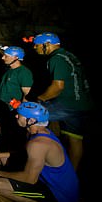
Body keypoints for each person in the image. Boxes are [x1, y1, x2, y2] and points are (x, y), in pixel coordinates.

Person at [0, 102, 79, 202]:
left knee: (0, 184)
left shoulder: (37, 144)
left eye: (20, 115)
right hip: (64, 187)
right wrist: (2, 154)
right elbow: (28, 154)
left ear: (31, 120)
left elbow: (29, 179)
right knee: (5, 160)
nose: (17, 116)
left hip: (61, 197)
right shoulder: (43, 133)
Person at [30, 32, 93, 171]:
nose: (35, 48)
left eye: (37, 45)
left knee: (30, 117)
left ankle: (35, 164)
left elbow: (58, 87)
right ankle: (72, 173)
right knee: (75, 139)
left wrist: (40, 99)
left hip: (67, 104)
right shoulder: (70, 56)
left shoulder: (56, 59)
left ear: (46, 45)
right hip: (82, 104)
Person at [0, 45, 33, 153]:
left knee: (14, 138)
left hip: (13, 111)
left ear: (15, 57)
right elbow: (8, 89)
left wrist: (22, 114)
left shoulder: (23, 72)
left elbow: (28, 94)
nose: (3, 58)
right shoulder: (8, 71)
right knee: (4, 135)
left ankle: (13, 161)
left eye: (6, 56)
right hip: (3, 109)